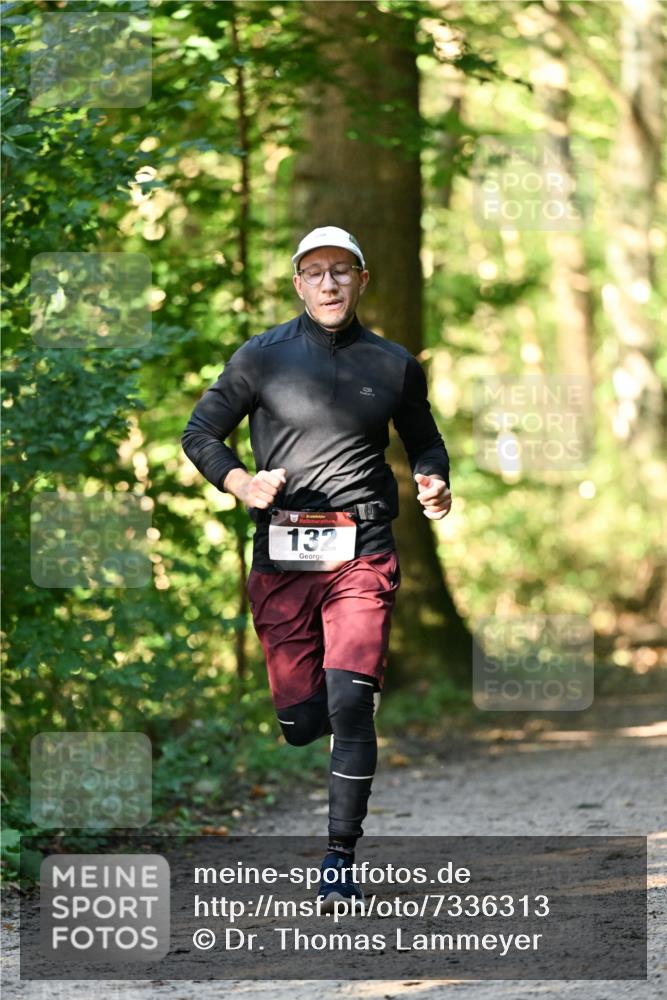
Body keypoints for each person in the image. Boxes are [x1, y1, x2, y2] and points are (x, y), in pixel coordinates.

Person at [181, 225, 452, 912]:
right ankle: (315, 721)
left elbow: (423, 440)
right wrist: (240, 482)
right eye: (314, 272)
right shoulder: (261, 357)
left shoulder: (392, 364)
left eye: (341, 271)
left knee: (350, 698)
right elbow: (199, 432)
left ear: (362, 280)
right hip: (284, 552)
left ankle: (338, 856)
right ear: (297, 283)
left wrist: (432, 479)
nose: (328, 283)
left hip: (362, 547)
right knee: (304, 719)